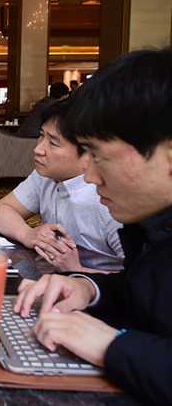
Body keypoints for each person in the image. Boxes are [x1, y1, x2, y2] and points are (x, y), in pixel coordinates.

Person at [14, 47, 172, 404]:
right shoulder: (154, 224)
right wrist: (86, 287)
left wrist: (111, 345)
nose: (89, 175)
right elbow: (146, 294)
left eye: (98, 155)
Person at [0, 99, 124, 273]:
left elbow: (145, 280)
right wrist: (28, 234)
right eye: (41, 135)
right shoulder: (45, 176)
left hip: (98, 287)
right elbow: (2, 210)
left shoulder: (111, 203)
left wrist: (78, 270)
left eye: (53, 143)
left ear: (89, 155)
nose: (38, 149)